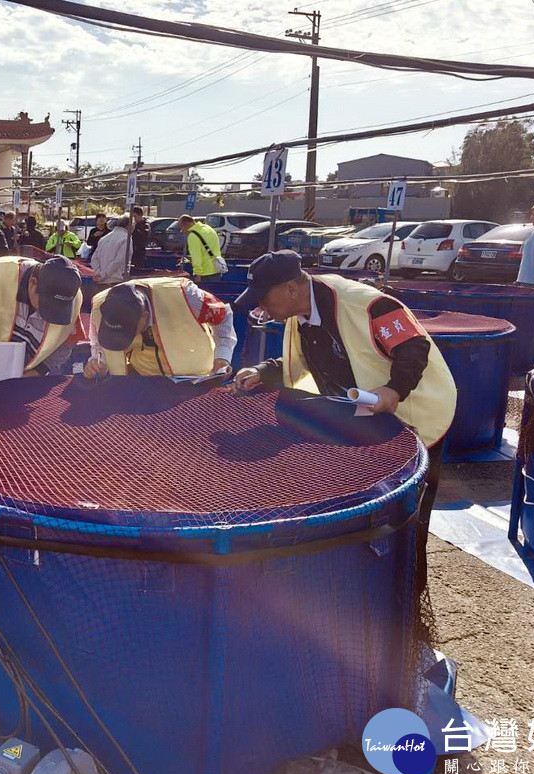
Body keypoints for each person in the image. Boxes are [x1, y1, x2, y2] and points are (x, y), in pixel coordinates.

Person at [231, 251, 456, 593]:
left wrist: (395, 388)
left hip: (413, 416)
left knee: (409, 514)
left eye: (264, 297)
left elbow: (413, 346)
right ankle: (359, 585)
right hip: (363, 417)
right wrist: (264, 371)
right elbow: (306, 360)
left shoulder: (368, 305)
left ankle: (407, 591)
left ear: (291, 288)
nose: (262, 306)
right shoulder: (301, 314)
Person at [83, 276, 235, 379]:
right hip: (144, 382)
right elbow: (98, 344)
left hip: (193, 379)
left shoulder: (186, 294)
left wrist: (222, 356)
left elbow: (223, 315)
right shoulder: (99, 305)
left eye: (128, 331)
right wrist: (98, 361)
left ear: (144, 316)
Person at [90, 214, 131, 288]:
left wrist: (98, 273)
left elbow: (94, 258)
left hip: (100, 281)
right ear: (129, 225)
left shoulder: (103, 238)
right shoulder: (126, 239)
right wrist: (104, 274)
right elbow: (119, 261)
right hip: (116, 281)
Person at [179, 214, 223, 284]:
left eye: (181, 227)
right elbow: (209, 249)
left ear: (186, 225)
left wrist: (198, 276)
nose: (181, 231)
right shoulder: (209, 229)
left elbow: (197, 258)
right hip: (217, 269)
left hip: (205, 274)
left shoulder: (193, 236)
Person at [130, 206, 149, 270]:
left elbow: (143, 237)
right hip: (131, 253)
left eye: (134, 217)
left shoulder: (145, 226)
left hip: (139, 254)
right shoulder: (131, 225)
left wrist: (134, 229)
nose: (133, 219)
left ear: (140, 215)